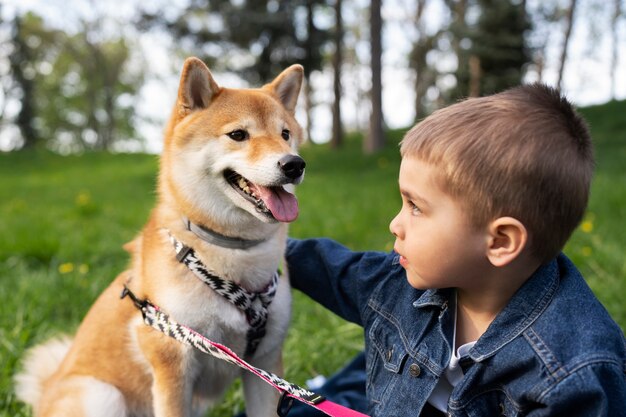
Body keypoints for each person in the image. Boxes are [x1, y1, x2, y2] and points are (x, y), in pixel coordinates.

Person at [278, 84, 626, 416]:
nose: (395, 225)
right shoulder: (404, 284)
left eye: (416, 207)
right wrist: (247, 254)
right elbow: (333, 269)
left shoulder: (571, 373)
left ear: (500, 241)